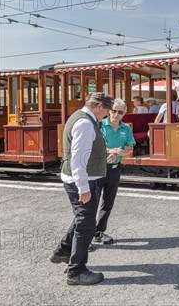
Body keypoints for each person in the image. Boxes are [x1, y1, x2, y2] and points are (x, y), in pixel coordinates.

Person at [50, 92, 114, 286]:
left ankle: (63, 251)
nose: (108, 114)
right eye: (107, 110)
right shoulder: (86, 123)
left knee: (81, 218)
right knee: (86, 225)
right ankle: (76, 272)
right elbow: (78, 159)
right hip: (82, 180)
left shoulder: (80, 117)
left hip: (80, 178)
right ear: (98, 106)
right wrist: (83, 187)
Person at [95, 98, 135, 245]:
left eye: (120, 112)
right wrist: (110, 150)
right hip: (98, 168)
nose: (116, 114)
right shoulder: (99, 125)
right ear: (108, 110)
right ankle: (85, 236)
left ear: (124, 114)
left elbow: (131, 146)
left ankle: (98, 232)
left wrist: (121, 152)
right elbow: (93, 146)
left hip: (115, 169)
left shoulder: (126, 128)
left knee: (108, 203)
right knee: (92, 203)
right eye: (113, 110)